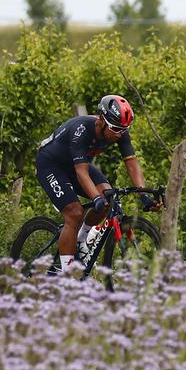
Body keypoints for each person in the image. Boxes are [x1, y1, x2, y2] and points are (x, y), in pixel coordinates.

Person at [34, 94, 160, 270]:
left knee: (108, 197)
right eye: (115, 129)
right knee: (74, 213)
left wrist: (143, 194)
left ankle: (81, 239)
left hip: (75, 164)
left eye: (123, 130)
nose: (119, 135)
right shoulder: (81, 130)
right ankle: (68, 275)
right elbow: (81, 172)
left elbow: (131, 163)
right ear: (101, 120)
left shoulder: (120, 131)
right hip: (50, 164)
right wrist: (95, 197)